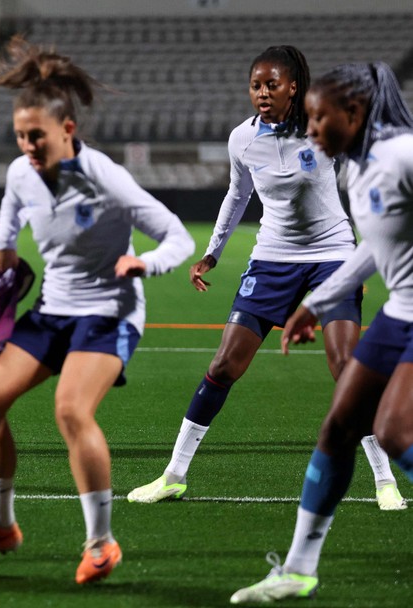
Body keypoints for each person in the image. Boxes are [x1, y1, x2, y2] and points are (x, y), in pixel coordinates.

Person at [0, 37, 195, 585]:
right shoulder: (20, 173)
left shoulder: (104, 177)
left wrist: (146, 264)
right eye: (20, 136)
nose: (28, 145)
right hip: (55, 308)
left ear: (67, 131)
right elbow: (5, 237)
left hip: (110, 311)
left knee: (71, 409)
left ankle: (102, 543)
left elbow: (177, 235)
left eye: (38, 136)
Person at [127, 46, 405, 511]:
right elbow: (237, 196)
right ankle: (173, 475)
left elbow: (361, 186)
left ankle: (383, 479)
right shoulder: (242, 139)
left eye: (271, 85)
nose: (261, 93)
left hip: (332, 253)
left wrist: (360, 261)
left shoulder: (321, 129)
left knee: (344, 367)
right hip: (272, 259)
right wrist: (212, 253)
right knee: (223, 366)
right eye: (255, 85)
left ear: (293, 87)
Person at [230, 61, 413, 603]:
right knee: (338, 428)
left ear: (352, 114)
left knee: (397, 431)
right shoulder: (356, 169)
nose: (309, 128)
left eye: (318, 116)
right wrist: (318, 301)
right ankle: (297, 570)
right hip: (400, 311)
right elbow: (374, 250)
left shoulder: (402, 156)